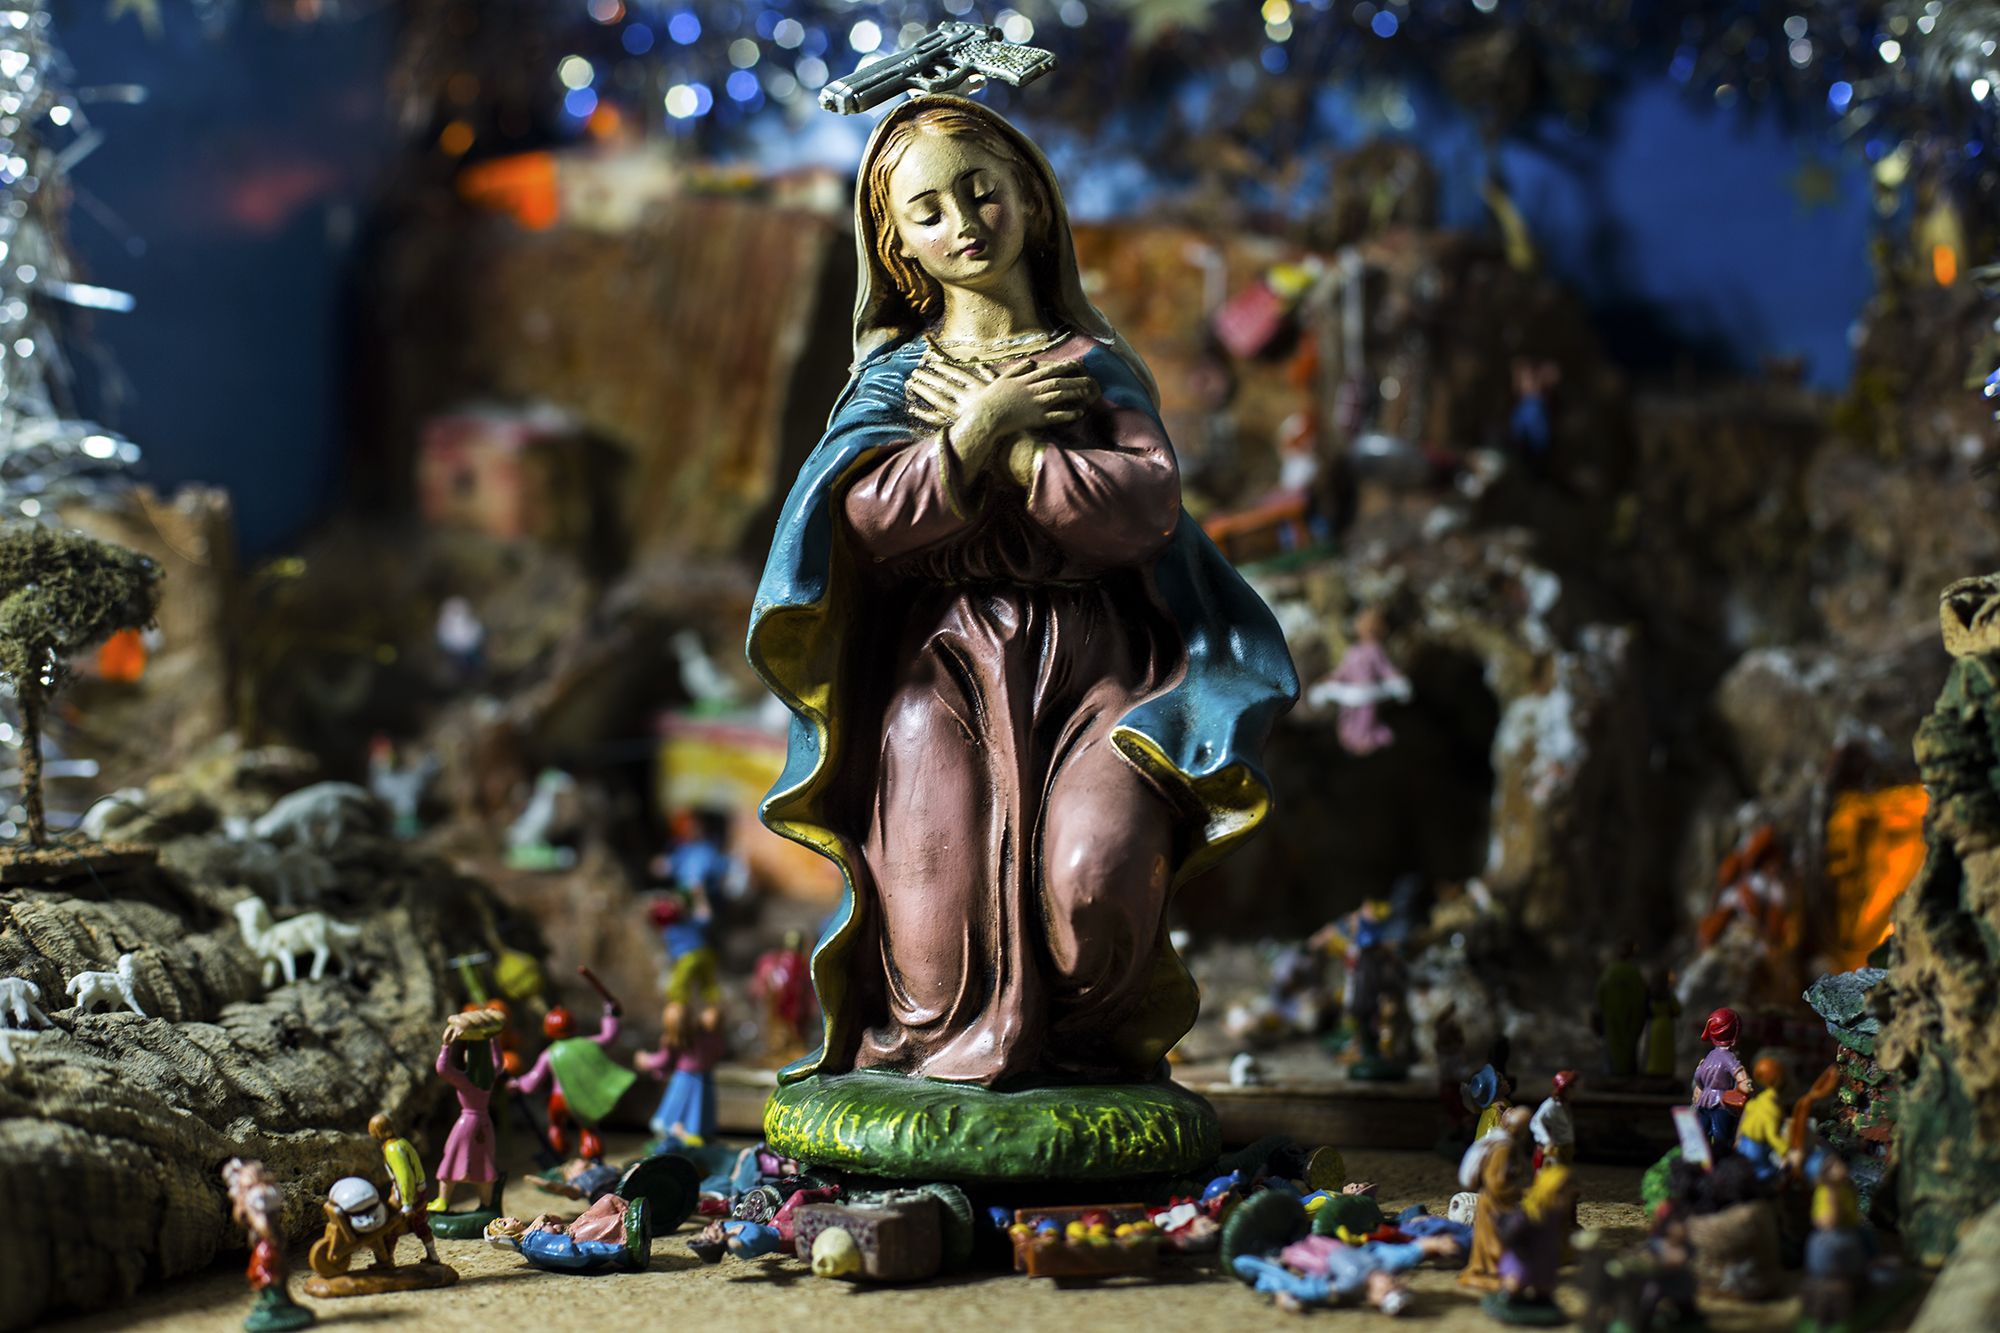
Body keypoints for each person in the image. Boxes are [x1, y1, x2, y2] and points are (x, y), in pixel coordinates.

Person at [745, 95, 1295, 1088]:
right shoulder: (896, 382)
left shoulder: (1095, 368)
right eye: (927, 211)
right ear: (898, 246)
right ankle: (943, 1040)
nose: (962, 222)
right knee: (933, 953)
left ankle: (1081, 1055)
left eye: (981, 191)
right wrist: (972, 430)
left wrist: (1024, 448)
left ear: (1031, 200)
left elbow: (1146, 507)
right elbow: (855, 521)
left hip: (1093, 664)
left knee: (1095, 894)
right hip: (937, 666)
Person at [369, 1113, 439, 1265]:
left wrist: (407, 1203)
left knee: (390, 1226)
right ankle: (433, 1256)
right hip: (418, 1191)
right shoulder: (402, 1142)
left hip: (406, 1195)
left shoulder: (392, 1149)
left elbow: (404, 1176)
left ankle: (387, 1260)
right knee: (420, 1225)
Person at [1690, 1007, 1755, 1150]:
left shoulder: (1709, 1056)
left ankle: (1703, 1161)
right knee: (1722, 1141)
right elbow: (1741, 1078)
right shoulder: (1729, 1057)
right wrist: (1747, 1086)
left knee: (1702, 1139)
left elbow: (1698, 1077)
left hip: (1703, 1103)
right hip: (1721, 1104)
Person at [1734, 1056, 1790, 1183]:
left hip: (1743, 1143)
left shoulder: (1759, 1100)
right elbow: (1772, 1136)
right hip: (1755, 1147)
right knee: (1764, 1173)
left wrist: (1738, 1139)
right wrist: (1786, 1150)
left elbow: (1747, 1112)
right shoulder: (1771, 1107)